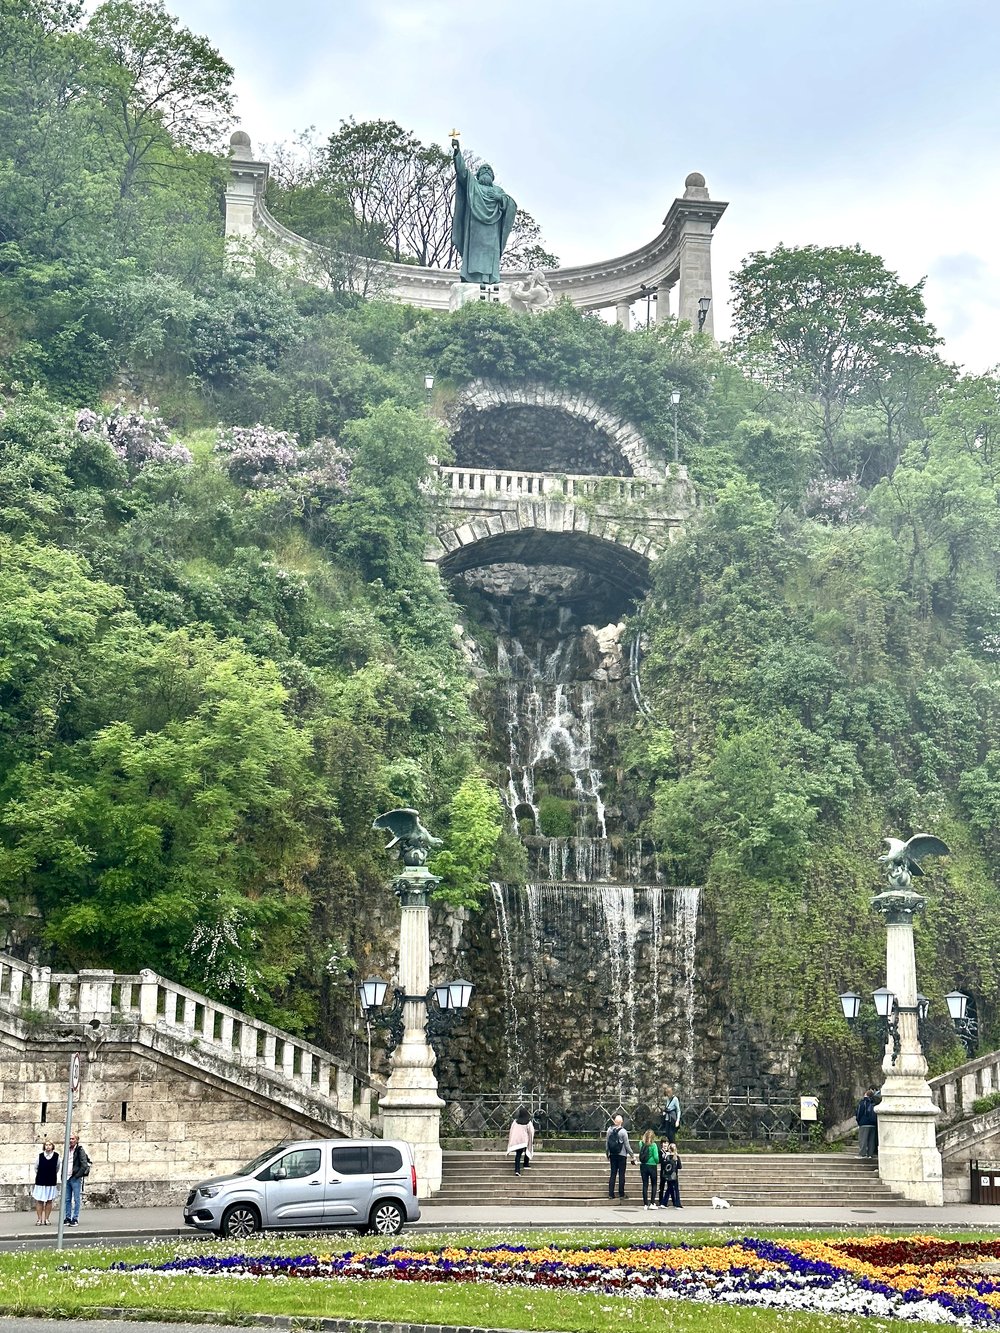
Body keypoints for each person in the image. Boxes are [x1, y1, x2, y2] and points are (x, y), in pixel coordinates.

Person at [451, 139, 517, 286]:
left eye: (489, 171)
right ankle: (472, 277)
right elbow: (462, 172)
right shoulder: (473, 185)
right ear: (478, 175)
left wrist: (500, 198)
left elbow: (511, 205)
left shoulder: (498, 191)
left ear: (492, 177)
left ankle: (489, 278)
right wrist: (457, 152)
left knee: (490, 253)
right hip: (474, 229)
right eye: (483, 170)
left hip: (492, 231)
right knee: (474, 252)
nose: (486, 171)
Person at [605, 1114, 637, 1200]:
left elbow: (607, 1142)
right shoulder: (623, 1132)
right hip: (622, 1155)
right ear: (622, 1122)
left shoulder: (609, 1130)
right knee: (621, 1175)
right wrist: (632, 1155)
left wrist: (607, 1153)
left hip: (612, 1154)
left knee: (613, 1174)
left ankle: (611, 1194)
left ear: (615, 1121)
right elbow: (627, 1145)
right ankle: (621, 1194)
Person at [65, 1132, 91, 1225]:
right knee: (67, 1199)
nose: (71, 1140)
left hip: (75, 1177)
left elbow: (84, 1165)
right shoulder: (66, 1150)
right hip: (66, 1177)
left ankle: (75, 1218)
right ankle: (67, 1217)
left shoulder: (80, 1150)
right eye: (70, 1139)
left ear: (76, 1140)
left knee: (76, 1199)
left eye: (73, 1139)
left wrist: (77, 1175)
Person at [32, 1140, 59, 1226]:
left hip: (51, 1181)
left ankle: (46, 1219)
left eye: (50, 1145)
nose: (48, 1146)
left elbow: (57, 1168)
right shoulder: (39, 1156)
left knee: (49, 1201)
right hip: (41, 1181)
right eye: (46, 1145)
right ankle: (39, 1219)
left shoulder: (56, 1157)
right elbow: (36, 1168)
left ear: (52, 1146)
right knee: (39, 1201)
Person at [505, 1106, 535, 1177]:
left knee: (518, 1155)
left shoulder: (515, 1122)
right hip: (524, 1140)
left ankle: (517, 1170)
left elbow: (512, 1130)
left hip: (517, 1141)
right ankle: (526, 1164)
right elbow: (531, 1131)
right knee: (527, 1150)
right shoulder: (528, 1122)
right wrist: (531, 1138)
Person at [638, 1129, 660, 1209]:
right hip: (652, 1165)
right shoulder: (653, 1145)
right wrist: (657, 1161)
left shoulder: (641, 1143)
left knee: (645, 1184)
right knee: (654, 1184)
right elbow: (656, 1157)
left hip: (643, 1165)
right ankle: (652, 1203)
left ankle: (645, 1204)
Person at [856, 1087, 879, 1158]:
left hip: (864, 1123)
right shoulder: (874, 1103)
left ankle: (862, 1154)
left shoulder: (862, 1102)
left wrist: (859, 1121)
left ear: (866, 1094)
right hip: (873, 1124)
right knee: (871, 1140)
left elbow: (859, 1113)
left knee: (863, 1139)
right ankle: (870, 1154)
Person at [660, 1140, 683, 1208]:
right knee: (675, 1189)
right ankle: (677, 1203)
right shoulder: (676, 1156)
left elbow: (664, 1164)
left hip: (667, 1175)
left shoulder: (666, 1156)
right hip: (674, 1175)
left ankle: (664, 1202)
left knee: (669, 1188)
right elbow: (680, 1166)